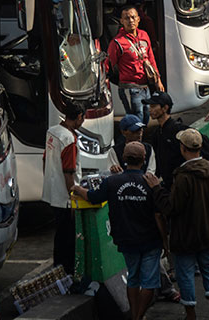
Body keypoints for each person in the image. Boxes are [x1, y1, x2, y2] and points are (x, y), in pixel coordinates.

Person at [72, 142, 163, 320]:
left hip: (126, 239)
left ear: (124, 159)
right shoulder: (151, 183)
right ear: (144, 159)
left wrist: (78, 189)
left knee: (133, 278)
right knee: (149, 283)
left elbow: (92, 197)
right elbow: (159, 214)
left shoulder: (112, 182)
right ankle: (139, 316)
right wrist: (165, 241)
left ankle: (135, 315)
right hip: (150, 240)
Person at [145, 129, 209, 320]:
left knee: (185, 275)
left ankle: (191, 314)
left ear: (183, 148)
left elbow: (172, 207)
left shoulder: (183, 176)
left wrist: (157, 189)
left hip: (186, 235)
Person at [42, 103, 85, 274]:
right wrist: (73, 198)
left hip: (53, 191)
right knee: (68, 238)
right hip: (65, 197)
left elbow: (45, 160)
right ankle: (66, 272)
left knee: (60, 235)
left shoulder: (52, 131)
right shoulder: (68, 139)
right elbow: (69, 172)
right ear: (79, 117)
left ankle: (58, 270)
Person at [147, 91, 209, 186]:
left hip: (184, 185)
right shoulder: (157, 134)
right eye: (150, 106)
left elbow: (208, 155)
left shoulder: (181, 131)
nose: (150, 109)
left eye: (153, 106)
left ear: (165, 108)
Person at [109, 4, 164, 122]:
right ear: (121, 21)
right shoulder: (117, 42)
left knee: (146, 118)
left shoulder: (144, 35)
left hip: (145, 87)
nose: (131, 21)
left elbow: (151, 59)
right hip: (130, 88)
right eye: (127, 18)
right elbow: (109, 65)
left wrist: (158, 80)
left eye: (133, 17)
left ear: (138, 19)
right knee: (136, 121)